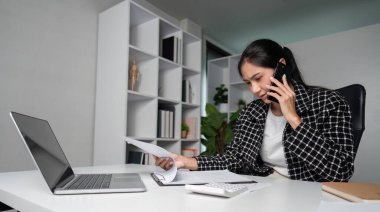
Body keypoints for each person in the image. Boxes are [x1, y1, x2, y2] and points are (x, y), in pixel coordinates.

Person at [155, 39, 354, 182]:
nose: (255, 90)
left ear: (281, 67)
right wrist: (185, 161)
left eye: (258, 78)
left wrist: (293, 118)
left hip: (308, 193)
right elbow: (233, 158)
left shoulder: (329, 102)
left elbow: (340, 171)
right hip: (261, 188)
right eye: (248, 83)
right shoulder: (252, 112)